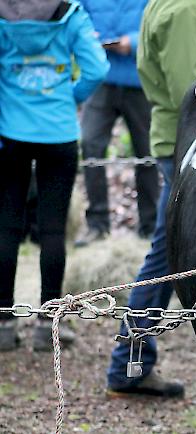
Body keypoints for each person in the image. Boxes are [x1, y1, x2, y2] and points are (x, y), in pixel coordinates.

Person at [105, 0, 196, 398]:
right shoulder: (187, 12)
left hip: (182, 141)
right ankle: (128, 368)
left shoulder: (177, 4)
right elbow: (195, 93)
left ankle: (130, 368)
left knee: (166, 252)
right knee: (166, 256)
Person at [0, 0, 109, 351]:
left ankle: (3, 323)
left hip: (9, 133)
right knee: (53, 229)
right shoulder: (71, 14)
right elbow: (96, 68)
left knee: (6, 228)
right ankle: (48, 324)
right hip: (58, 132)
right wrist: (67, 96)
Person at [74, 0, 158, 247]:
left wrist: (132, 42)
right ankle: (97, 225)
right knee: (90, 145)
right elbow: (76, 14)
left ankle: (150, 227)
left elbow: (160, 22)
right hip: (100, 78)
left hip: (140, 80)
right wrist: (88, 36)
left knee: (148, 152)